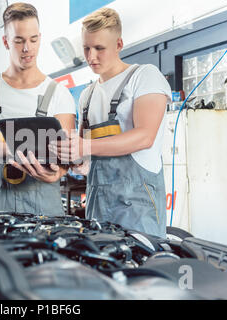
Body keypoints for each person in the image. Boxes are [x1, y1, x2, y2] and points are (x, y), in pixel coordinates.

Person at [51, 8, 171, 237]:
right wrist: (73, 159)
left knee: (141, 269)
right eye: (86, 48)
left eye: (99, 48)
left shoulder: (144, 76)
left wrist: (85, 147)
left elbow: (145, 136)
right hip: (97, 208)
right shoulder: (86, 96)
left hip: (138, 209)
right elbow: (88, 161)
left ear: (118, 44)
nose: (91, 57)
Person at [0, 2, 76, 216]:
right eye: (19, 40)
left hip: (43, 201)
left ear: (39, 38)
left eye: (33, 40)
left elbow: (66, 154)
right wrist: (19, 150)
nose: (27, 48)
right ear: (6, 41)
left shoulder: (59, 93)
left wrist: (57, 173)